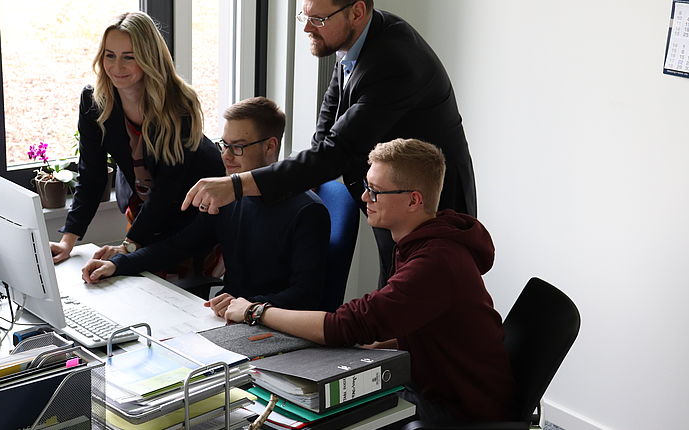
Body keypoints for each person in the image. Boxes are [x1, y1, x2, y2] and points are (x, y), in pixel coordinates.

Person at [182, 0, 476, 288]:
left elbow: (337, 151)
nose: (308, 27)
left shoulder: (393, 61)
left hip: (431, 203)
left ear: (357, 12)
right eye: (305, 16)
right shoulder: (352, 40)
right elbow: (326, 131)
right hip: (391, 193)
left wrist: (236, 185)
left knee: (424, 302)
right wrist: (299, 179)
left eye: (319, 19)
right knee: (396, 297)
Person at [222, 139, 514, 424]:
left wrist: (255, 311)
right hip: (435, 383)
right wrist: (373, 346)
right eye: (366, 188)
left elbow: (344, 326)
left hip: (460, 411)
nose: (364, 199)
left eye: (375, 191)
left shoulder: (435, 263)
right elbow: (419, 329)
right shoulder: (423, 244)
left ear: (414, 200)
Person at [81, 97, 331, 313]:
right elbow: (178, 246)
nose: (226, 156)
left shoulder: (307, 211)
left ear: (270, 146)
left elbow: (305, 296)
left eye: (238, 147)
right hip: (231, 319)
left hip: (275, 327)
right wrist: (118, 263)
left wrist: (249, 307)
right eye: (224, 145)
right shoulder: (229, 196)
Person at [51, 11, 224, 264]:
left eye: (129, 58)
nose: (116, 67)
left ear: (149, 59)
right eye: (110, 55)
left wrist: (129, 245)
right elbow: (92, 174)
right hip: (148, 208)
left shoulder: (178, 103)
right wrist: (68, 240)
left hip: (193, 211)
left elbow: (168, 188)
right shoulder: (94, 100)